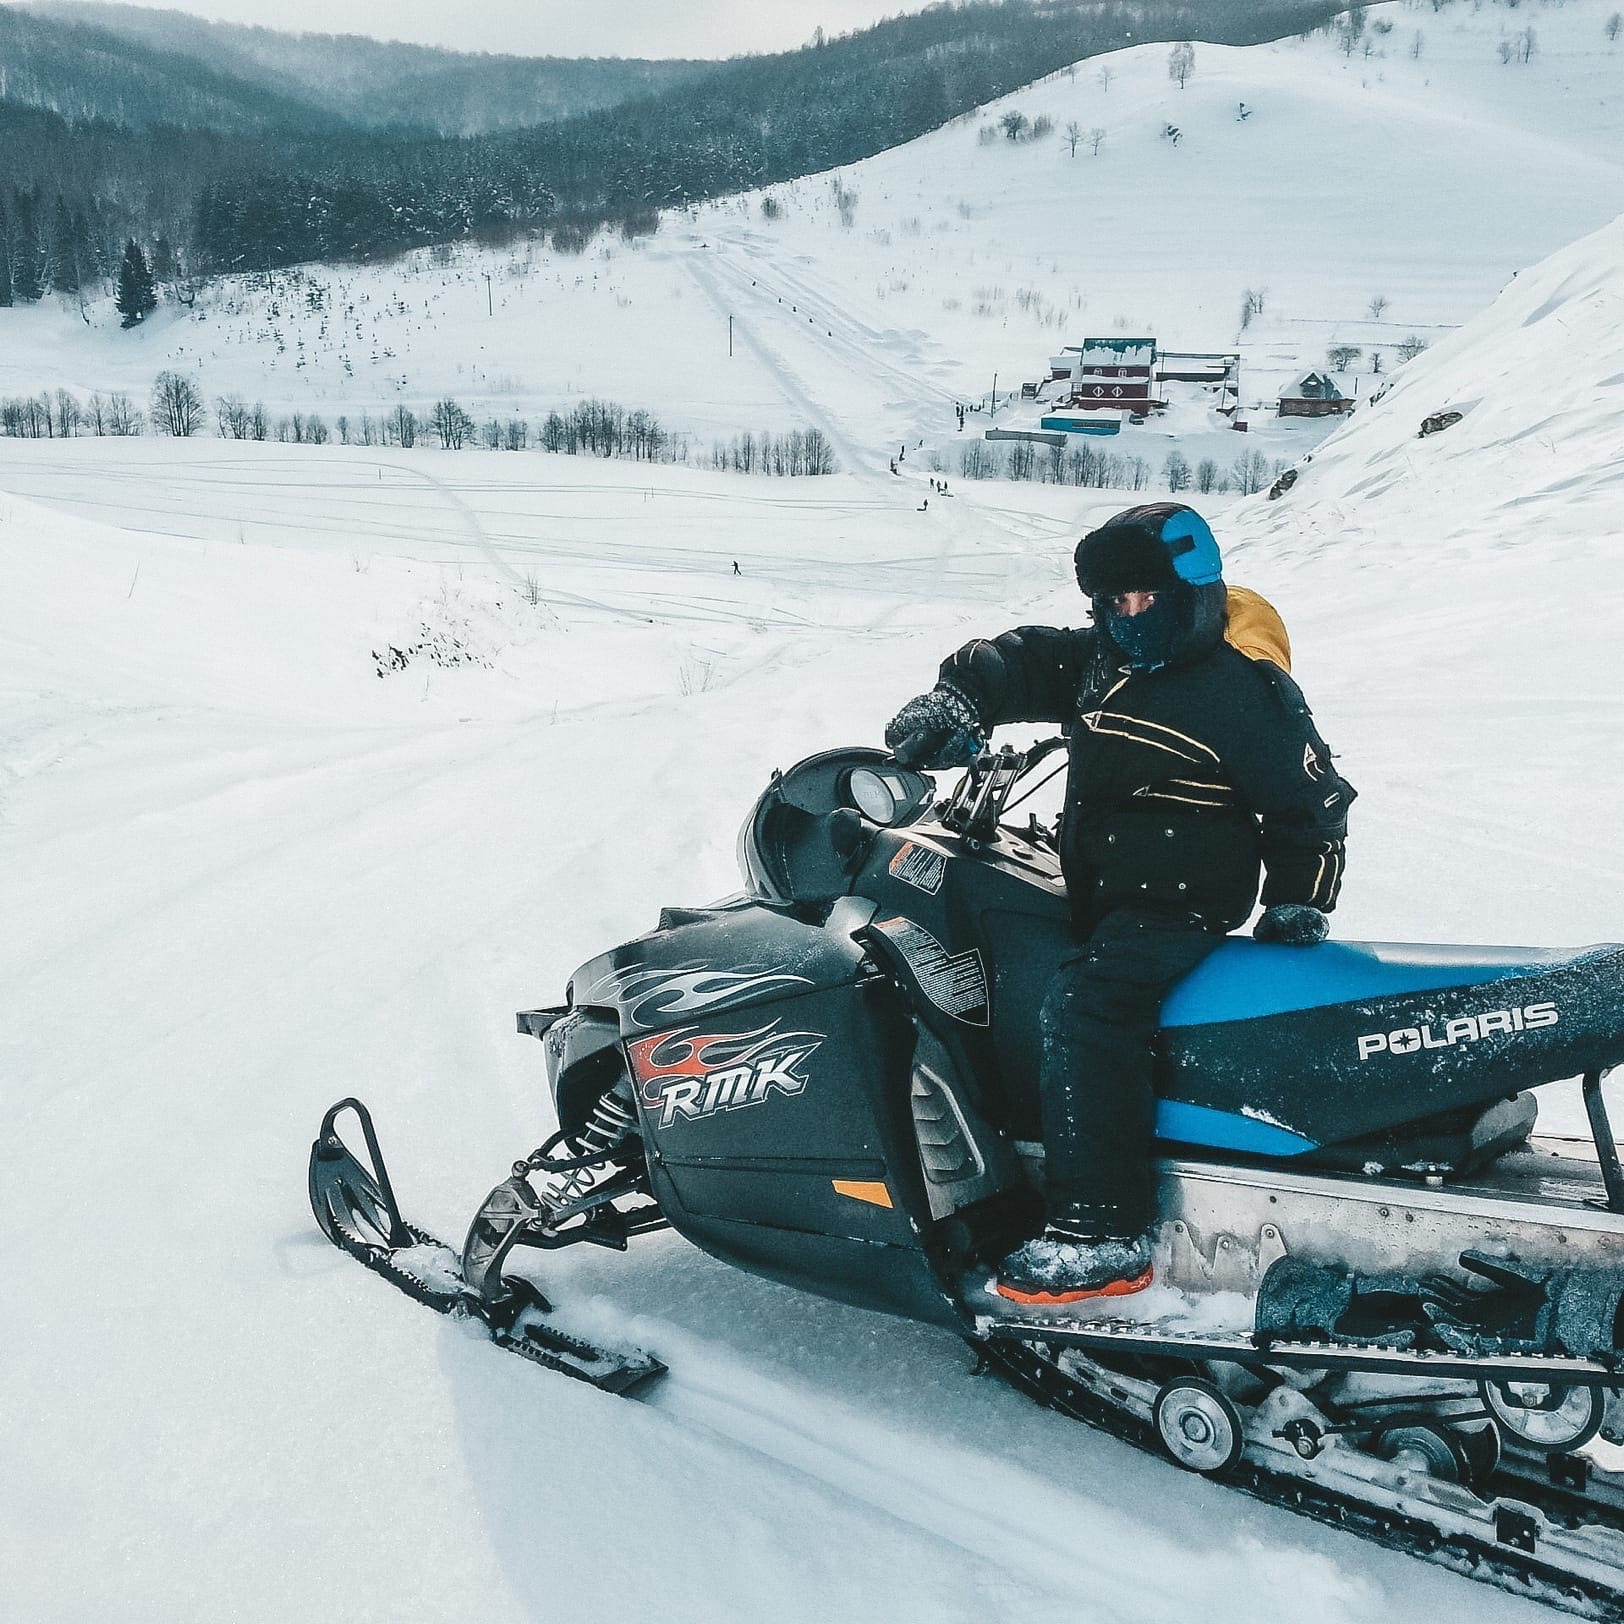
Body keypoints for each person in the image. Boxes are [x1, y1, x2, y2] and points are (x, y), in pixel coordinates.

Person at [883, 503, 1354, 1305]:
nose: (1126, 618)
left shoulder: (1243, 693)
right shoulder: (1104, 658)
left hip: (1180, 899)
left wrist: (1298, 903)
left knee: (1087, 1008)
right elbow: (1019, 659)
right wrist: (959, 700)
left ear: (1194, 592)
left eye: (1143, 600)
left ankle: (1101, 1231)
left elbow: (1311, 804)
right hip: (1101, 888)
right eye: (1109, 604)